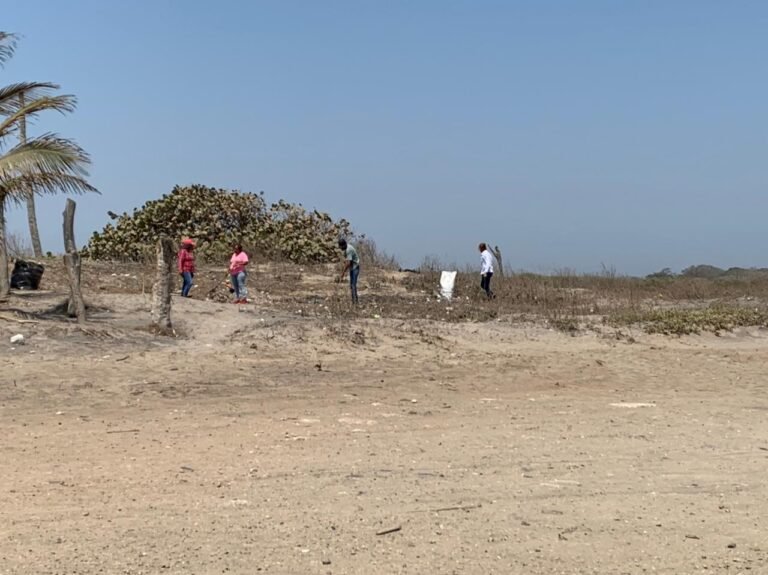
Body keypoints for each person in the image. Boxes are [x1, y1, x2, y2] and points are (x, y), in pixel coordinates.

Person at [337, 238, 360, 304]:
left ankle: (355, 302)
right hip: (352, 268)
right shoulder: (346, 248)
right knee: (351, 285)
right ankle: (354, 301)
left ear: (343, 245)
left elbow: (348, 263)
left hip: (355, 267)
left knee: (353, 285)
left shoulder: (349, 250)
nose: (340, 248)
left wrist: (343, 273)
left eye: (340, 247)